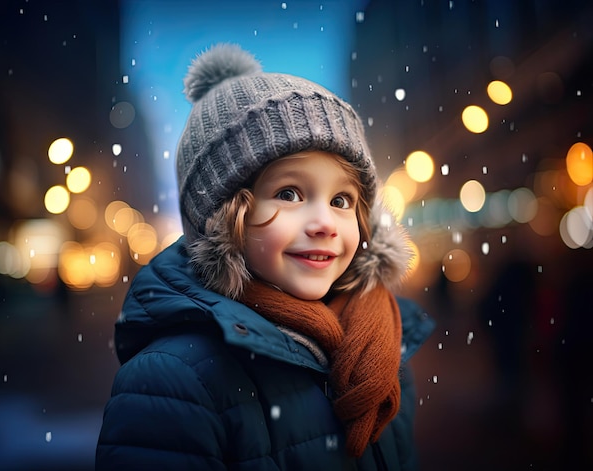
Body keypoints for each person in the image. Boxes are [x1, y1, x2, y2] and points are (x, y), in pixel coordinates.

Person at [96, 43, 434, 470]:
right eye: (289, 193)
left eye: (342, 200)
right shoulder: (175, 380)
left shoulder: (381, 349)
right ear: (222, 218)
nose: (325, 223)